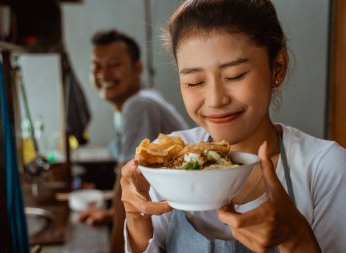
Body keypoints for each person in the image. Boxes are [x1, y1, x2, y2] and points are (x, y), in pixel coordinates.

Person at [120, 0, 346, 252]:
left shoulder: (325, 168)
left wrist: (297, 238)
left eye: (235, 75)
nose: (216, 100)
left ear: (278, 67)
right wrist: (136, 216)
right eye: (194, 82)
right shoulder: (170, 163)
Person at [78, 29, 189, 253]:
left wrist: (116, 250)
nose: (104, 74)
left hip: (178, 229)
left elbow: (128, 183)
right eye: (97, 66)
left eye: (113, 64)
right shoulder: (135, 104)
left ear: (137, 67)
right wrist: (111, 215)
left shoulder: (139, 105)